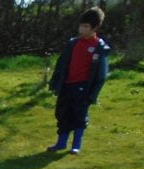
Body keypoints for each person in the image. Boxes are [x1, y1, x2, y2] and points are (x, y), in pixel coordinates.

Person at [47, 7, 110, 155]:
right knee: (63, 114)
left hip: (83, 87)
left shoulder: (99, 48)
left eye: (86, 26)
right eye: (81, 25)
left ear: (95, 28)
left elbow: (101, 75)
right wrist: (55, 82)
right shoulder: (72, 44)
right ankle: (61, 143)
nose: (82, 29)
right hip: (67, 85)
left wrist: (93, 94)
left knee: (79, 116)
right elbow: (61, 64)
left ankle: (76, 145)